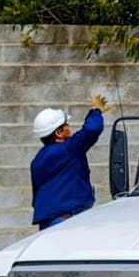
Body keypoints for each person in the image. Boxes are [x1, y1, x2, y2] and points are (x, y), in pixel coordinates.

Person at [30, 95, 110, 229]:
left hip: (48, 222)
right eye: (65, 125)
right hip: (67, 221)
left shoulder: (37, 160)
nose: (69, 127)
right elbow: (91, 130)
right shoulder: (68, 149)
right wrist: (96, 111)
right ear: (59, 133)